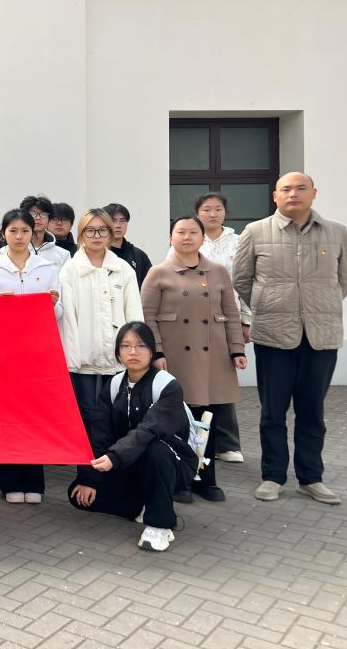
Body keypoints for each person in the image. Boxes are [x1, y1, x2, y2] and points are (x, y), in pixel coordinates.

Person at [234, 172, 347, 505]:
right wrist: (271, 305)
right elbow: (242, 280)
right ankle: (273, 476)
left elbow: (344, 281)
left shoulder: (337, 232)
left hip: (321, 336)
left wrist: (316, 306)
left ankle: (311, 477)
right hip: (273, 336)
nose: (293, 194)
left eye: (301, 188)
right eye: (286, 189)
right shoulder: (256, 231)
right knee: (272, 412)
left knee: (312, 411)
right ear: (275, 195)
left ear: (314, 193)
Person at [142, 215, 246, 503]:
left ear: (202, 238)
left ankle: (206, 478)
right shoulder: (159, 272)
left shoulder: (218, 271)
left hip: (212, 357)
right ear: (170, 237)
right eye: (181, 232)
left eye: (193, 232)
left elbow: (231, 313)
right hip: (174, 357)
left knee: (207, 421)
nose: (187, 237)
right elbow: (147, 316)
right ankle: (180, 479)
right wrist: (157, 352)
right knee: (177, 420)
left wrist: (237, 349)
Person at [69, 322, 199, 552]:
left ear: (151, 350)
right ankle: (139, 507)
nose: (133, 352)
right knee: (79, 495)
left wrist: (115, 457)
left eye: (140, 346)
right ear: (118, 351)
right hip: (127, 461)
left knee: (154, 449)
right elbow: (99, 434)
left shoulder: (167, 385)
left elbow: (149, 430)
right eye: (125, 346)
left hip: (170, 462)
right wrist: (89, 479)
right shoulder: (113, 385)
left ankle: (160, 524)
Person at [0, 208, 63, 504]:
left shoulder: (47, 268)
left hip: (37, 354)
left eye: (24, 231)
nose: (19, 236)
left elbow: (59, 315)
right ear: (4, 234)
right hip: (1, 356)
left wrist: (52, 304)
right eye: (13, 231)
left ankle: (34, 482)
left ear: (32, 233)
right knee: (6, 417)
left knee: (34, 418)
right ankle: (10, 481)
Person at [177, 192, 251, 463]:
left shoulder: (239, 241)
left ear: (225, 213)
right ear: (198, 213)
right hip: (190, 324)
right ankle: (192, 442)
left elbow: (245, 282)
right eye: (206, 209)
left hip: (224, 320)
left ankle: (227, 443)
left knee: (222, 382)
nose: (212, 214)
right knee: (193, 382)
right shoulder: (186, 239)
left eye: (218, 209)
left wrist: (246, 320)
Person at [60, 209, 143, 426]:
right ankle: (89, 451)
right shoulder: (70, 271)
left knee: (118, 412)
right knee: (86, 413)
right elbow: (68, 319)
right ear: (81, 234)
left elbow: (134, 314)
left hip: (118, 355)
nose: (96, 236)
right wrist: (72, 357)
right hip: (83, 357)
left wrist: (135, 350)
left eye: (102, 230)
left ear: (110, 233)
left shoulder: (123, 269)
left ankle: (115, 449)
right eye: (90, 231)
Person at [103, 203, 152, 288]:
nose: (118, 225)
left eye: (122, 221)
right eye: (113, 221)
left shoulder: (139, 255)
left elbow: (149, 287)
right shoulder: (97, 253)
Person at [19, 195, 70, 269]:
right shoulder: (7, 251)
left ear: (49, 220)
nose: (38, 218)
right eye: (33, 214)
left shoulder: (63, 255)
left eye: (43, 214)